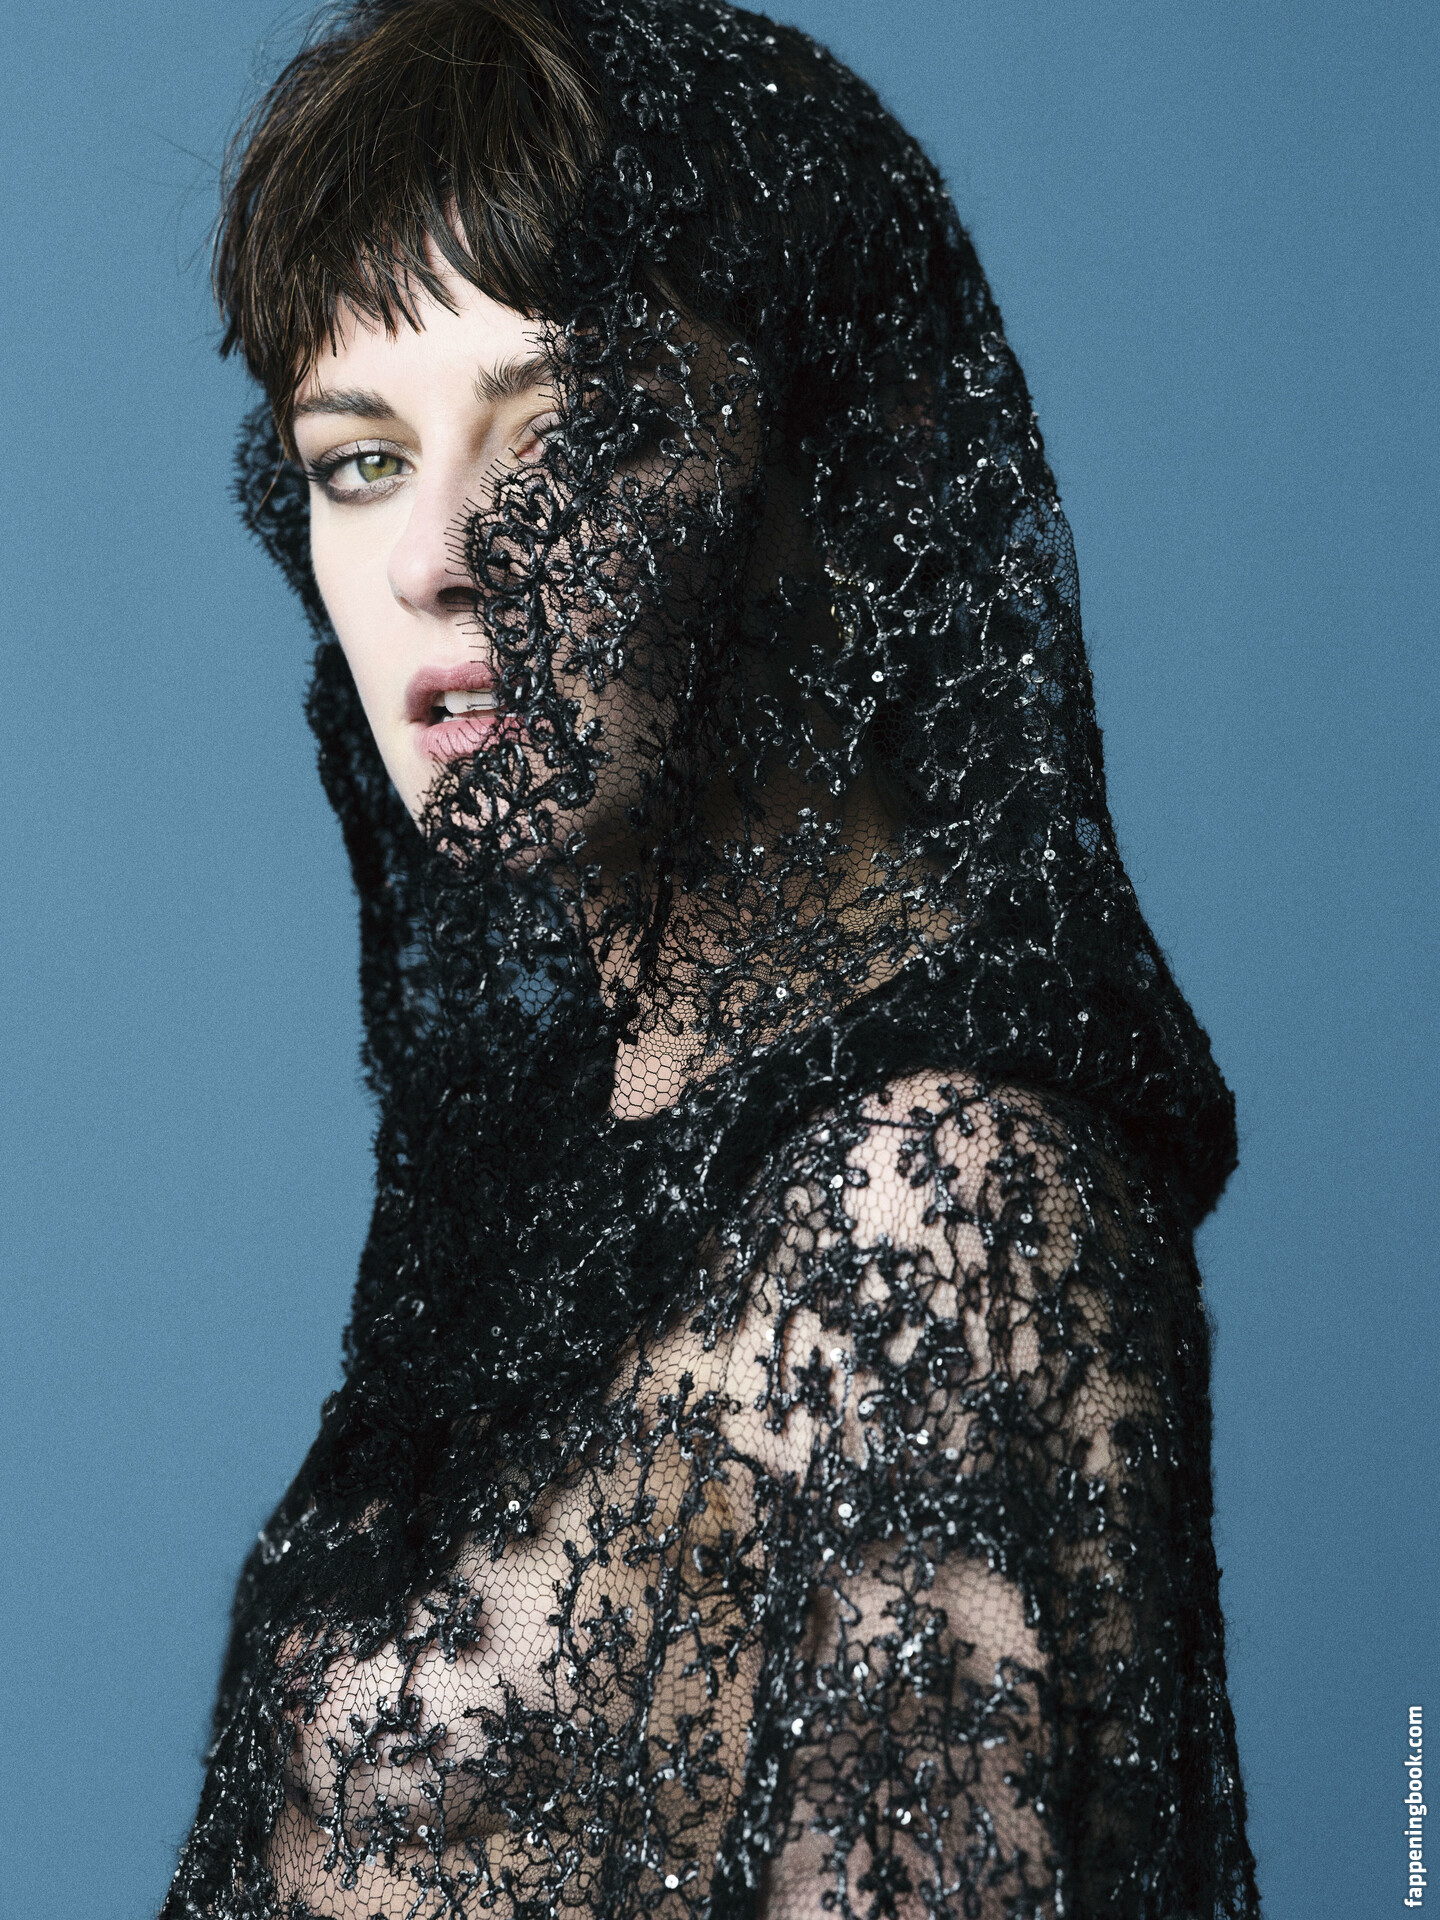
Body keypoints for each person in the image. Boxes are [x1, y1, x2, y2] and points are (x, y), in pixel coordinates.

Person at [166, 1, 1262, 1914]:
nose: (435, 556)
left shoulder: (935, 1208)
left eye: (563, 428)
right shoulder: (562, 1171)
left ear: (830, 457)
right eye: (361, 460)